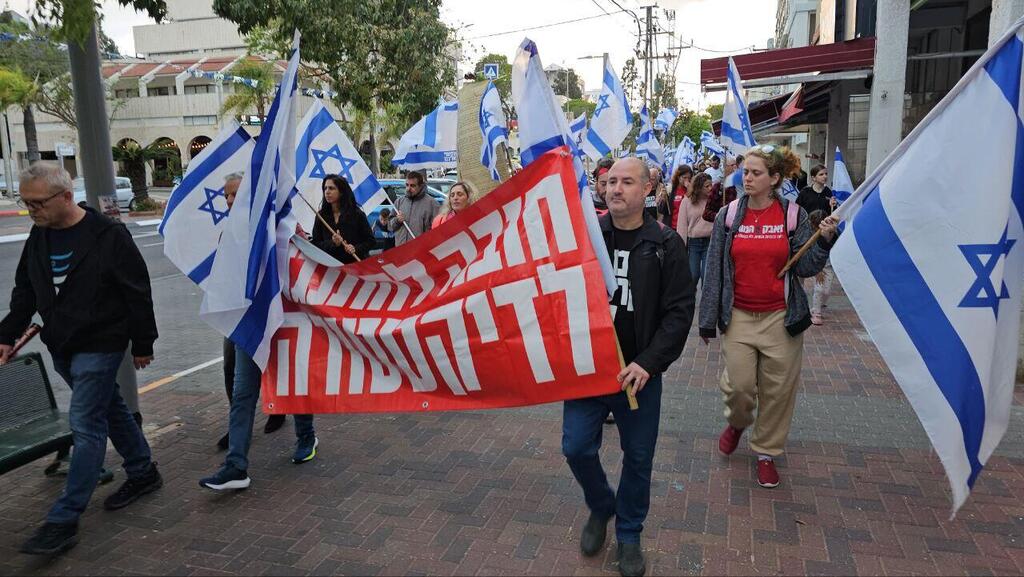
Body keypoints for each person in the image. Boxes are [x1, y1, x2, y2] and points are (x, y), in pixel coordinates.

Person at [0, 163, 161, 555]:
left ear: (66, 196)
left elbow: (136, 291)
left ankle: (63, 519)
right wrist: (5, 335)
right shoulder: (39, 237)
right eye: (26, 204)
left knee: (86, 425)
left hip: (101, 344)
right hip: (62, 345)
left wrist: (143, 342)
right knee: (113, 410)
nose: (32, 210)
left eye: (38, 203)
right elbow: (25, 291)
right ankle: (143, 471)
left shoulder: (108, 235)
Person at [562, 157, 694, 577]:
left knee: (638, 457)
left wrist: (648, 363)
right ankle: (602, 506)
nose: (615, 189)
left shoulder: (665, 244)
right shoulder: (587, 237)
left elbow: (678, 313)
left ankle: (630, 534)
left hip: (638, 376)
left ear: (647, 189)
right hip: (589, 370)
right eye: (610, 181)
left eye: (626, 182)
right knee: (576, 447)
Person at [698, 144, 839, 490]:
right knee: (741, 387)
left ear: (774, 178)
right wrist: (707, 318)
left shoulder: (793, 215)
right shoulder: (728, 215)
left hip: (781, 318)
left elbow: (805, 266)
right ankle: (738, 422)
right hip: (740, 316)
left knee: (778, 391)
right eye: (745, 171)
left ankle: (766, 453)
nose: (747, 177)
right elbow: (714, 267)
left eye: (756, 172)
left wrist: (824, 241)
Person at [212, 173, 285, 451]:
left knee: (275, 366)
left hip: (267, 311)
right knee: (232, 369)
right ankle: (237, 429)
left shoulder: (269, 226)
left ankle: (283, 411)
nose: (230, 200)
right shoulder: (227, 231)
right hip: (237, 315)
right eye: (226, 195)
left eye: (235, 194)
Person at [796, 165, 836, 326]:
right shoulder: (805, 193)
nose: (824, 177)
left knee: (824, 283)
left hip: (823, 235)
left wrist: (834, 205)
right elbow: (798, 211)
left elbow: (833, 215)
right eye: (821, 174)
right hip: (806, 235)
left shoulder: (828, 193)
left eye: (826, 174)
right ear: (814, 177)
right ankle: (808, 307)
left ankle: (818, 305)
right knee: (799, 275)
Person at [311, 174, 375, 264]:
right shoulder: (321, 216)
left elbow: (370, 241)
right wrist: (332, 243)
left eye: (331, 188)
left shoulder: (357, 214)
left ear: (341, 192)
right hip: (329, 268)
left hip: (353, 267)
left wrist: (355, 248)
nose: (327, 192)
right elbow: (315, 244)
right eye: (325, 188)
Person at [676, 173, 714, 288]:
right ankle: (688, 302)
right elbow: (682, 225)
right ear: (698, 187)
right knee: (693, 275)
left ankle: (705, 304)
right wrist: (681, 248)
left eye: (711, 185)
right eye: (706, 186)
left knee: (706, 276)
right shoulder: (686, 201)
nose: (710, 188)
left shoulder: (714, 200)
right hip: (694, 244)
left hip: (710, 242)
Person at [388, 171, 440, 246]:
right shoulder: (399, 202)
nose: (408, 188)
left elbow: (437, 232)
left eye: (412, 186)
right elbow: (390, 227)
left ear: (421, 186)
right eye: (407, 185)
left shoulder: (432, 204)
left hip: (421, 251)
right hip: (402, 250)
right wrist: (397, 220)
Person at [669, 165, 693, 230]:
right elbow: (666, 209)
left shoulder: (691, 190)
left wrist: (690, 192)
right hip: (673, 226)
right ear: (678, 177)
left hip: (686, 226)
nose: (687, 180)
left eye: (689, 178)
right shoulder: (672, 190)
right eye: (684, 177)